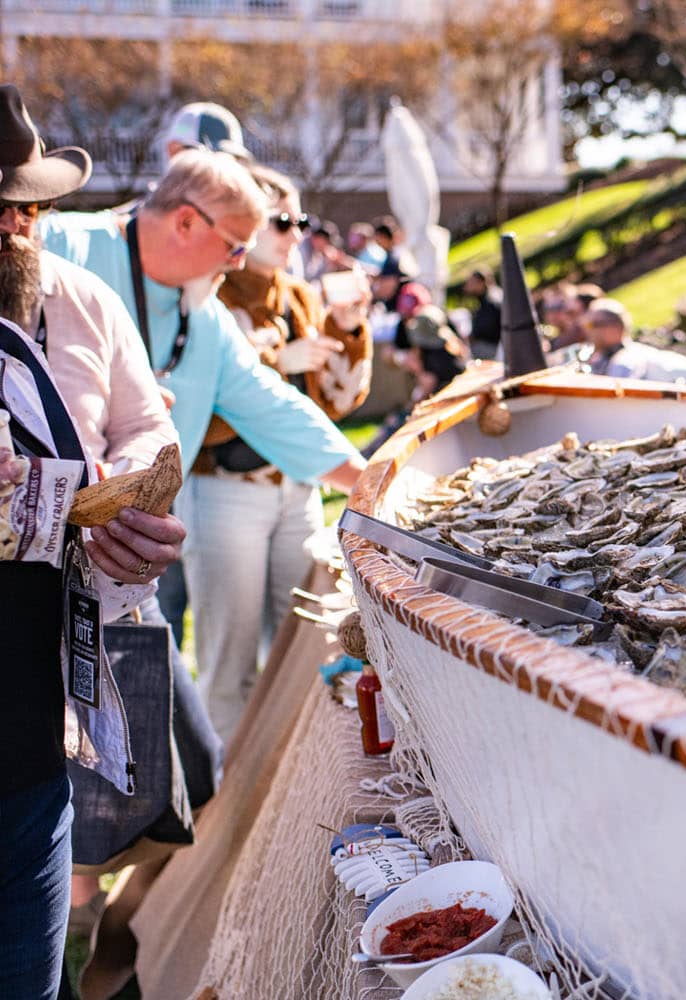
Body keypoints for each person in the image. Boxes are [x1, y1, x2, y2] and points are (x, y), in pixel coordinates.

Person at [43, 150, 368, 735]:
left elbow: (271, 406)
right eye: (235, 244)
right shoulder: (61, 246)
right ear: (187, 222)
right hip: (29, 563)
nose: (240, 261)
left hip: (118, 566)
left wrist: (371, 482)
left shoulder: (206, 316)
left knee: (168, 755)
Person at [0, 91, 186, 999]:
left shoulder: (80, 298)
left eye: (28, 205)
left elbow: (147, 422)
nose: (17, 226)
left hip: (35, 731)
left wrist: (131, 492)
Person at [194, 164, 372, 741]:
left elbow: (340, 400)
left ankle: (283, 779)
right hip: (223, 492)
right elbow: (194, 402)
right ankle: (226, 802)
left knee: (299, 649)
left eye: (301, 220)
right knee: (230, 660)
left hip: (298, 492)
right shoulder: (204, 291)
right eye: (282, 220)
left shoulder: (299, 295)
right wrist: (276, 362)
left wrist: (349, 330)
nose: (295, 233)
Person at [582, 298, 686, 384]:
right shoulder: (617, 357)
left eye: (591, 325)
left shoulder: (624, 364)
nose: (586, 331)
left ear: (614, 328)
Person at [390, 280, 467, 399]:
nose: (409, 322)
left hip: (452, 387)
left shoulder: (444, 349)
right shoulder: (428, 349)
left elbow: (429, 380)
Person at [464, 268, 503, 361]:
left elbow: (488, 329)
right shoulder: (486, 298)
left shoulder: (492, 301)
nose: (468, 286)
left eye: (471, 283)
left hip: (495, 349)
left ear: (481, 283)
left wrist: (473, 337)